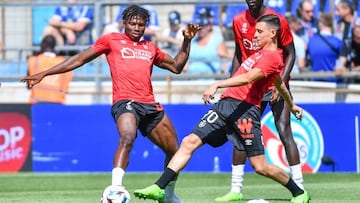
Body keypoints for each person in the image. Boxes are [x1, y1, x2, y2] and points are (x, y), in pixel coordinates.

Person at [20, 5, 200, 203]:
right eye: (132, 23)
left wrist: (187, 41)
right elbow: (78, 60)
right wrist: (45, 73)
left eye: (141, 25)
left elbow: (176, 66)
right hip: (125, 102)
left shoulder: (150, 47)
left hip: (150, 104)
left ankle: (167, 194)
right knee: (127, 137)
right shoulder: (111, 40)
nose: (137, 28)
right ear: (124, 23)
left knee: (174, 151)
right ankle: (115, 188)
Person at [133, 14, 310, 203]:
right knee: (189, 141)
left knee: (260, 167)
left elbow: (250, 77)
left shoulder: (273, 57)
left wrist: (218, 84)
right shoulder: (259, 53)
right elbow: (278, 82)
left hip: (246, 111)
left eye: (259, 32)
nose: (254, 35)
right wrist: (292, 105)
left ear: (273, 33)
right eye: (254, 31)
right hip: (224, 105)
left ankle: (299, 192)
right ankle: (159, 187)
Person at [215, 0, 304, 201]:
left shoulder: (277, 20)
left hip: (274, 82)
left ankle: (299, 188)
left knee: (284, 130)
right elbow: (238, 54)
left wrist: (280, 82)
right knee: (240, 133)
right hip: (251, 84)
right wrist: (232, 83)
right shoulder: (238, 20)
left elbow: (291, 53)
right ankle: (235, 190)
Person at [27, 35, 72, 104]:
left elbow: (28, 85)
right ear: (54, 46)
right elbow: (66, 87)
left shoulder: (34, 61)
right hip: (58, 104)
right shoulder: (64, 63)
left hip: (37, 104)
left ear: (43, 45)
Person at [307, 13, 342, 82]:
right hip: (333, 82)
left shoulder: (311, 41)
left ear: (320, 24)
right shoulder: (338, 42)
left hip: (315, 82)